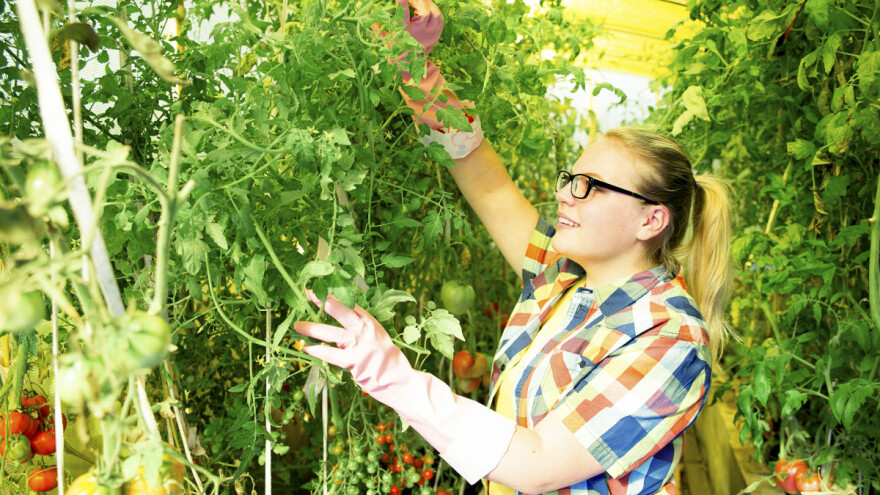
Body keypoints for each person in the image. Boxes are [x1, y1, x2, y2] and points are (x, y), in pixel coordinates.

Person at [294, 1, 733, 493]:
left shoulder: (670, 339)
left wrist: (396, 376)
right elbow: (488, 183)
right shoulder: (563, 275)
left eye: (589, 186)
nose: (564, 194)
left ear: (651, 220)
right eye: (570, 178)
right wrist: (416, 69)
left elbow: (536, 463)